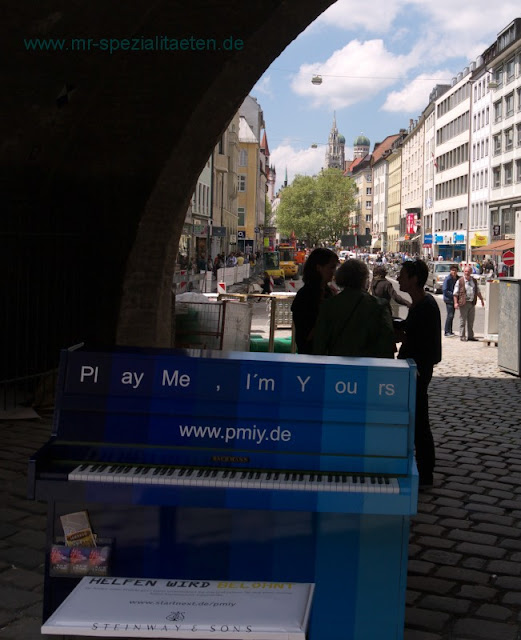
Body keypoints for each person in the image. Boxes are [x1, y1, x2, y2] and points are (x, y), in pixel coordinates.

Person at [395, 260, 442, 488]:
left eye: (403, 275)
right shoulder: (422, 304)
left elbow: (415, 339)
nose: (400, 278)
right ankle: (422, 468)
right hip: (417, 368)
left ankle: (425, 472)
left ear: (414, 279)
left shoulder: (425, 306)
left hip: (418, 370)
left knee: (420, 421)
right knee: (417, 419)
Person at [313, 259, 395, 359]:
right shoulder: (379, 306)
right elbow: (387, 344)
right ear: (363, 279)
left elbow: (319, 344)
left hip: (336, 367)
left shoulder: (328, 305)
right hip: (368, 369)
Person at [291, 248, 339, 354]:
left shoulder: (328, 292)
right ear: (319, 268)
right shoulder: (305, 296)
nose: (334, 272)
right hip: (312, 355)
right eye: (331, 267)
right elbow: (306, 334)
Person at [453, 265, 485, 341]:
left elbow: (477, 291)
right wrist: (455, 303)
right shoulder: (460, 281)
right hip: (463, 303)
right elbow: (455, 293)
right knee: (462, 320)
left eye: (468, 271)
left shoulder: (474, 280)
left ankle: (470, 336)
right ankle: (462, 336)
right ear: (464, 272)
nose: (467, 273)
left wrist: (481, 300)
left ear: (471, 272)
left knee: (471, 321)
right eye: (465, 271)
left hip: (472, 303)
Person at [441, 265, 459, 337]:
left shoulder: (457, 278)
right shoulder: (448, 279)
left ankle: (450, 330)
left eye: (455, 270)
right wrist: (453, 295)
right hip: (449, 299)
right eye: (452, 270)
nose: (454, 272)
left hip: (454, 299)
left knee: (452, 315)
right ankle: (446, 331)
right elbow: (445, 290)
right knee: (450, 315)